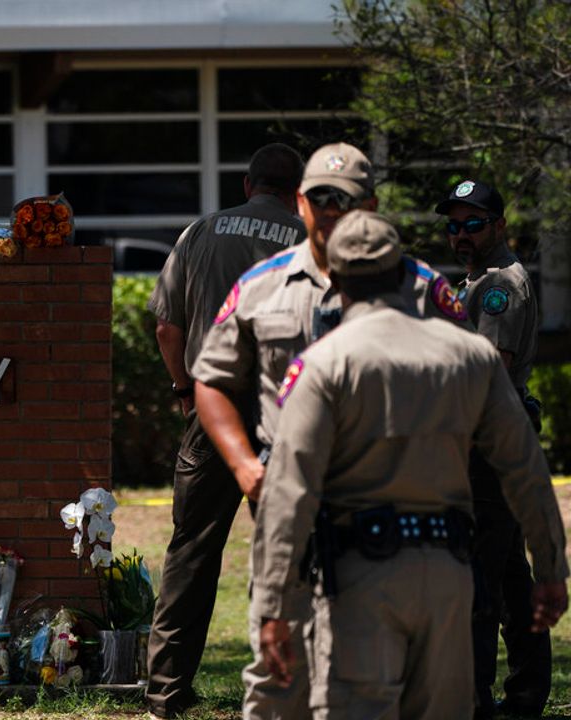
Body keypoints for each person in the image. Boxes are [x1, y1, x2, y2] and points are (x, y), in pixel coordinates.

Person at [191, 142, 468, 720]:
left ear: (370, 205)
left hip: (390, 517)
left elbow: (471, 378)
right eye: (320, 199)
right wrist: (244, 465)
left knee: (381, 685)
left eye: (345, 201)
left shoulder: (420, 287)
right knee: (279, 680)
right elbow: (211, 379)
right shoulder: (262, 285)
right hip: (290, 508)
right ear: (299, 202)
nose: (331, 212)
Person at [255, 210, 568, 719]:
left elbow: (289, 494)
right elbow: (524, 469)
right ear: (405, 273)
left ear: (335, 280)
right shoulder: (473, 356)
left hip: (360, 573)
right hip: (448, 572)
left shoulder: (322, 365)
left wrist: (273, 605)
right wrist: (551, 568)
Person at [144, 143, 306, 718]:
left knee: (191, 550)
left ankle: (165, 690)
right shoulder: (309, 241)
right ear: (297, 190)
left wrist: (187, 391)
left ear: (247, 184)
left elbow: (166, 328)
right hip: (286, 416)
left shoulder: (199, 233)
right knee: (291, 552)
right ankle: (291, 687)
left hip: (212, 413)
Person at [435, 180, 549, 718]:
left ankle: (473, 700)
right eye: (454, 225)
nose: (461, 234)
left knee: (477, 578)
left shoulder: (500, 283)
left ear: (499, 225)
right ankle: (526, 693)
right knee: (507, 575)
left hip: (487, 445)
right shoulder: (480, 278)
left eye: (473, 224)